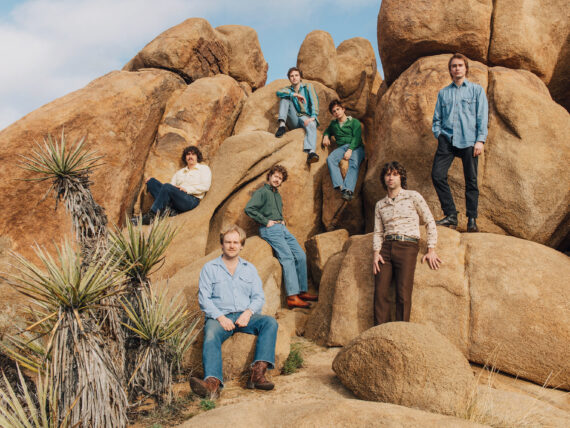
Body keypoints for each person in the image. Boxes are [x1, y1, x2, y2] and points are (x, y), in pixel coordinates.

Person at [189, 224, 279, 399]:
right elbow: (204, 299)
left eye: (235, 242)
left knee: (270, 322)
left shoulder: (250, 269)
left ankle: (257, 375)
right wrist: (221, 318)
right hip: (219, 317)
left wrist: (248, 313)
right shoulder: (210, 268)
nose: (231, 245)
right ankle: (212, 385)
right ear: (221, 244)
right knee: (210, 334)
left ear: (242, 245)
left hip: (244, 317)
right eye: (228, 242)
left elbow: (258, 297)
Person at [373, 161, 442, 326]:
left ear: (401, 177)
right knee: (380, 293)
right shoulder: (380, 205)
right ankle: (379, 334)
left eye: (395, 174)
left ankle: (400, 333)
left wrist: (431, 249)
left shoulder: (413, 196)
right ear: (384, 178)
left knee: (403, 294)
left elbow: (429, 221)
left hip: (407, 246)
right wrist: (376, 253)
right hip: (386, 249)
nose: (391, 178)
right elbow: (378, 232)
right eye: (388, 174)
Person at [245, 164, 317, 309]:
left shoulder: (277, 194)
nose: (277, 180)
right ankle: (292, 297)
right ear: (270, 176)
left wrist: (281, 219)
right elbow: (249, 208)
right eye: (276, 176)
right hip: (269, 230)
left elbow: (275, 210)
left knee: (301, 255)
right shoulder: (262, 192)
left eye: (280, 178)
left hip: (282, 228)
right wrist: (266, 221)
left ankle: (302, 291)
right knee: (287, 258)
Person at [431, 53, 488, 233]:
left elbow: (482, 116)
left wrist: (480, 140)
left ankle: (472, 219)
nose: (457, 68)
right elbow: (436, 119)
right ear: (450, 70)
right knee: (437, 175)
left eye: (460, 65)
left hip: (469, 140)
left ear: (465, 69)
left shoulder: (476, 91)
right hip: (447, 140)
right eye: (454, 66)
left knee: (471, 180)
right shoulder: (443, 93)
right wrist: (438, 134)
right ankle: (451, 214)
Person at [140, 145, 211, 225]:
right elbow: (169, 188)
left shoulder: (204, 169)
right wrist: (152, 182)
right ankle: (170, 211)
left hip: (191, 200)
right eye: (188, 154)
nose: (190, 156)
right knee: (152, 182)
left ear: (197, 157)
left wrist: (187, 189)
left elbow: (205, 186)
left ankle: (152, 215)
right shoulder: (179, 172)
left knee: (167, 187)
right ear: (185, 157)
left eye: (193, 154)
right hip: (177, 199)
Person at [322, 99, 365, 201]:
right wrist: (326, 136)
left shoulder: (354, 122)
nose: (336, 112)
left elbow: (357, 137)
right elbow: (328, 130)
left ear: (343, 109)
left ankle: (348, 190)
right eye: (334, 111)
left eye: (338, 109)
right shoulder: (334, 124)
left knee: (354, 163)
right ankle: (340, 186)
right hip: (342, 147)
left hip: (357, 147)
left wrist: (350, 150)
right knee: (330, 159)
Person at [275, 67, 320, 164]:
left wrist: (313, 116)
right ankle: (282, 126)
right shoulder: (288, 89)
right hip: (294, 119)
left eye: (296, 75)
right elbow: (278, 93)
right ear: (289, 78)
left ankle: (311, 152)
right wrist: (295, 95)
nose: (294, 78)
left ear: (300, 77)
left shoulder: (308, 87)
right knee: (285, 98)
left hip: (306, 117)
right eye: (292, 76)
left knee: (312, 124)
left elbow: (314, 101)